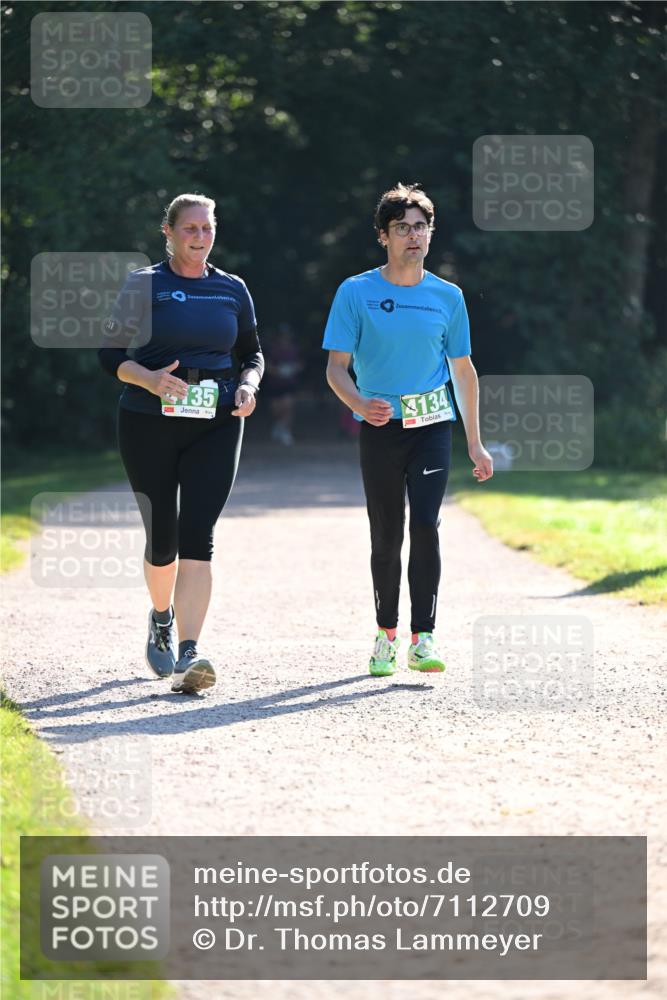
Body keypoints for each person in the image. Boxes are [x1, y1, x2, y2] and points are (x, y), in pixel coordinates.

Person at [323, 182, 493, 677]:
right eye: (402, 228)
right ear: (384, 236)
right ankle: (385, 634)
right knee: (386, 533)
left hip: (432, 426)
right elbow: (336, 369)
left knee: (425, 524)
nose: (413, 236)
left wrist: (475, 443)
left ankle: (423, 638)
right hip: (380, 429)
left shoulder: (448, 296)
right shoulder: (356, 292)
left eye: (421, 227)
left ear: (430, 233)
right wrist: (359, 403)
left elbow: (463, 371)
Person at [98, 193, 263, 694]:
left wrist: (249, 385)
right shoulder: (144, 284)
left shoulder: (232, 288)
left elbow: (252, 354)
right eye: (189, 228)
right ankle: (162, 616)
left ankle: (189, 652)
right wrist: (149, 379)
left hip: (217, 421)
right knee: (163, 537)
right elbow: (109, 354)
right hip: (148, 420)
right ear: (168, 232)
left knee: (198, 534)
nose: (200, 236)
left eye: (207, 228)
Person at [264, 322, 304, 446]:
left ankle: (286, 431)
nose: (285, 337)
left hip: (289, 384)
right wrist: (277, 371)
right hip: (275, 384)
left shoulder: (295, 349)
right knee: (276, 409)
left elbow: (301, 364)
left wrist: (293, 369)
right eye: (282, 335)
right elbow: (266, 365)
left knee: (288, 406)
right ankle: (278, 426)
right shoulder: (272, 349)